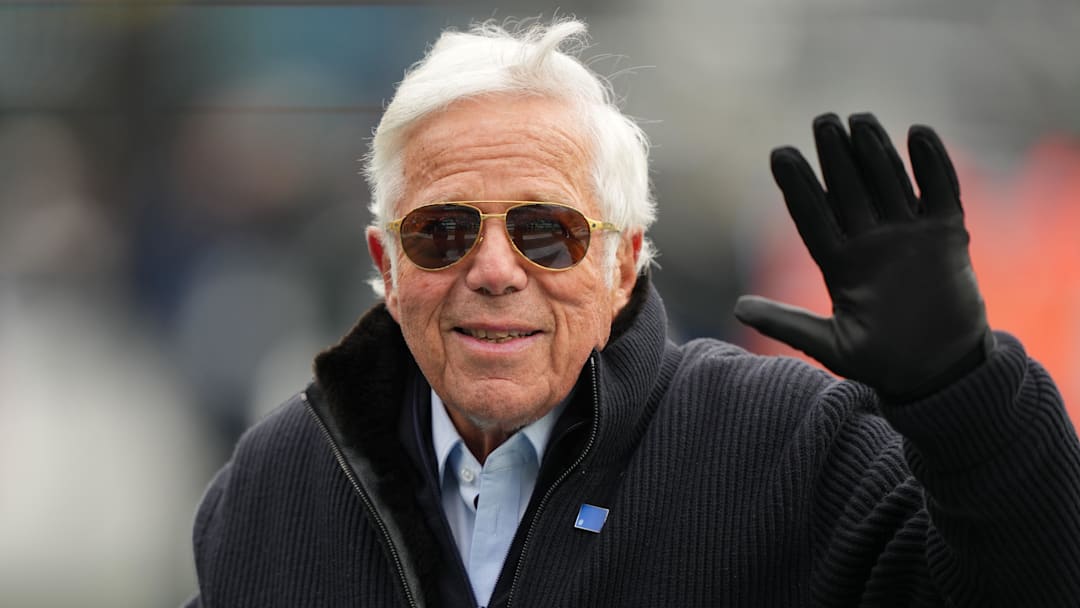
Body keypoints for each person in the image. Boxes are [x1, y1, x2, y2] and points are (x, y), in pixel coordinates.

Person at [186, 18, 1080, 608]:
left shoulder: (789, 446)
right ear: (387, 265)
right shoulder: (282, 479)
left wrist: (967, 399)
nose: (493, 270)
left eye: (548, 234)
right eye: (442, 232)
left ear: (622, 264)